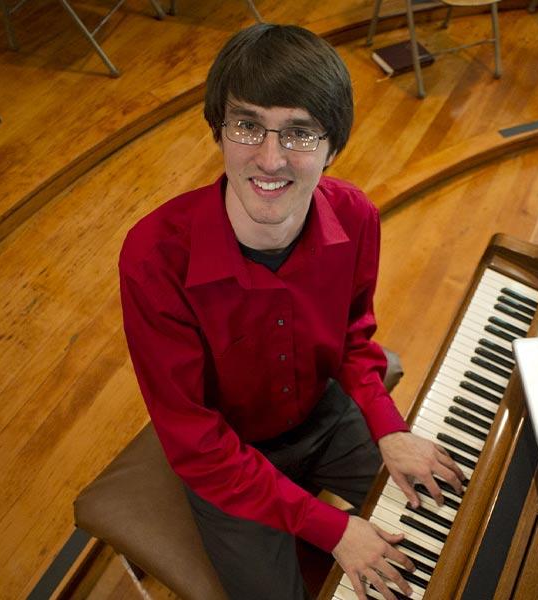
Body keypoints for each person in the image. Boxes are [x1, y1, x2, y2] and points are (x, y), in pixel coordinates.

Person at [118, 23, 465, 600]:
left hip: (322, 415)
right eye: (248, 125)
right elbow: (196, 439)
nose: (270, 159)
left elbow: (354, 336)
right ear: (219, 132)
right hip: (226, 455)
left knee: (445, 512)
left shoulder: (356, 216)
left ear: (332, 147)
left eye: (299, 133)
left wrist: (389, 426)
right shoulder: (154, 256)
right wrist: (333, 530)